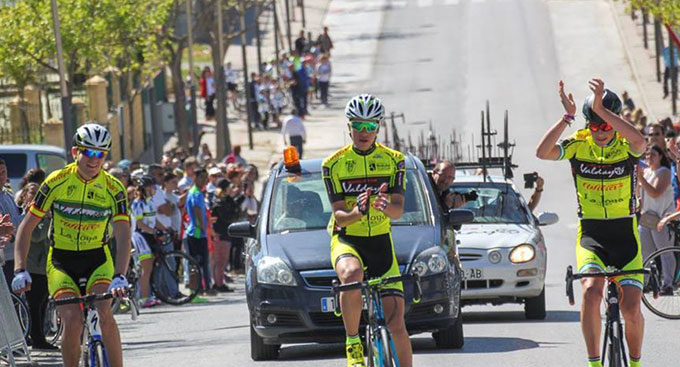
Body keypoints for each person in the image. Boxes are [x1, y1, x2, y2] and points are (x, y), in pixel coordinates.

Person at [536, 80, 646, 367]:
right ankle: (594, 363)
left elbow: (641, 142)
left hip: (625, 235)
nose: (599, 132)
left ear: (615, 122)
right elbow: (542, 152)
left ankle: (635, 363)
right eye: (594, 125)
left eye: (605, 126)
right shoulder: (579, 143)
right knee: (590, 292)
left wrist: (602, 110)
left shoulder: (626, 145)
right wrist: (567, 118)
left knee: (631, 309)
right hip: (592, 236)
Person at [12, 123, 131, 367]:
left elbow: (122, 231)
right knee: (72, 319)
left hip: (98, 258)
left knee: (104, 312)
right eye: (88, 152)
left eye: (100, 154)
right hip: (61, 261)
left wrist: (121, 274)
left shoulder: (114, 188)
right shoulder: (56, 182)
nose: (94, 159)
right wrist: (20, 269)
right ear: (75, 152)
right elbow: (26, 226)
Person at [322, 94, 410, 367]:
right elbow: (339, 215)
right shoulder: (333, 165)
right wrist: (357, 212)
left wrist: (384, 207)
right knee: (351, 274)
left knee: (397, 322)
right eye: (358, 125)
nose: (364, 132)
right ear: (348, 126)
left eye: (371, 126)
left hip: (381, 242)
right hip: (348, 239)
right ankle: (353, 344)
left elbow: (398, 210)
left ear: (378, 128)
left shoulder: (395, 160)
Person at [16, 182, 56, 350]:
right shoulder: (28, 215)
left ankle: (40, 337)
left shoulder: (44, 214)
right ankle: (37, 338)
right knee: (34, 303)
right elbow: (37, 236)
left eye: (38, 192)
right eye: (32, 192)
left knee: (43, 302)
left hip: (45, 265)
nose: (35, 195)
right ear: (25, 195)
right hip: (32, 266)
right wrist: (46, 217)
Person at [637, 144, 675, 295]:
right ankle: (646, 282)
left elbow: (655, 193)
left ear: (660, 156)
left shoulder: (664, 172)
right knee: (646, 252)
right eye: (647, 155)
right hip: (647, 217)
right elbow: (642, 194)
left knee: (664, 251)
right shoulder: (646, 172)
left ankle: (668, 284)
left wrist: (641, 179)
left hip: (662, 217)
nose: (649, 157)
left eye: (653, 154)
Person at [131, 175, 166, 308]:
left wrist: (165, 229)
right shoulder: (138, 203)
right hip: (141, 236)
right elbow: (139, 223)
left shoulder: (150, 202)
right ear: (144, 188)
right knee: (147, 268)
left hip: (149, 234)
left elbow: (154, 220)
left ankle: (148, 294)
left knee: (150, 267)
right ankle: (143, 298)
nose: (153, 189)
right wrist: (153, 231)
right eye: (151, 187)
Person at [209, 178, 243, 292]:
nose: (231, 189)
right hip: (220, 233)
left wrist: (239, 198)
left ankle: (219, 282)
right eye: (229, 187)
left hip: (224, 233)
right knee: (220, 260)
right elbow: (227, 216)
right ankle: (218, 284)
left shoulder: (225, 200)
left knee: (223, 260)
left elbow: (233, 208)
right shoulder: (218, 203)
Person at [185, 168, 213, 294]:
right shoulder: (195, 193)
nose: (205, 180)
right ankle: (198, 289)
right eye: (202, 177)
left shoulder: (199, 192)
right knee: (197, 263)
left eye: (206, 177)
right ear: (195, 178)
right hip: (196, 233)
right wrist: (202, 226)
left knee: (202, 262)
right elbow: (196, 210)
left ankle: (203, 287)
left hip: (199, 232)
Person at [0, 159, 23, 286]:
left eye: (3, 172)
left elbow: (15, 219)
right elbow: (9, 225)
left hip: (13, 256)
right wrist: (26, 217)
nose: (1, 176)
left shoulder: (8, 195)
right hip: (4, 259)